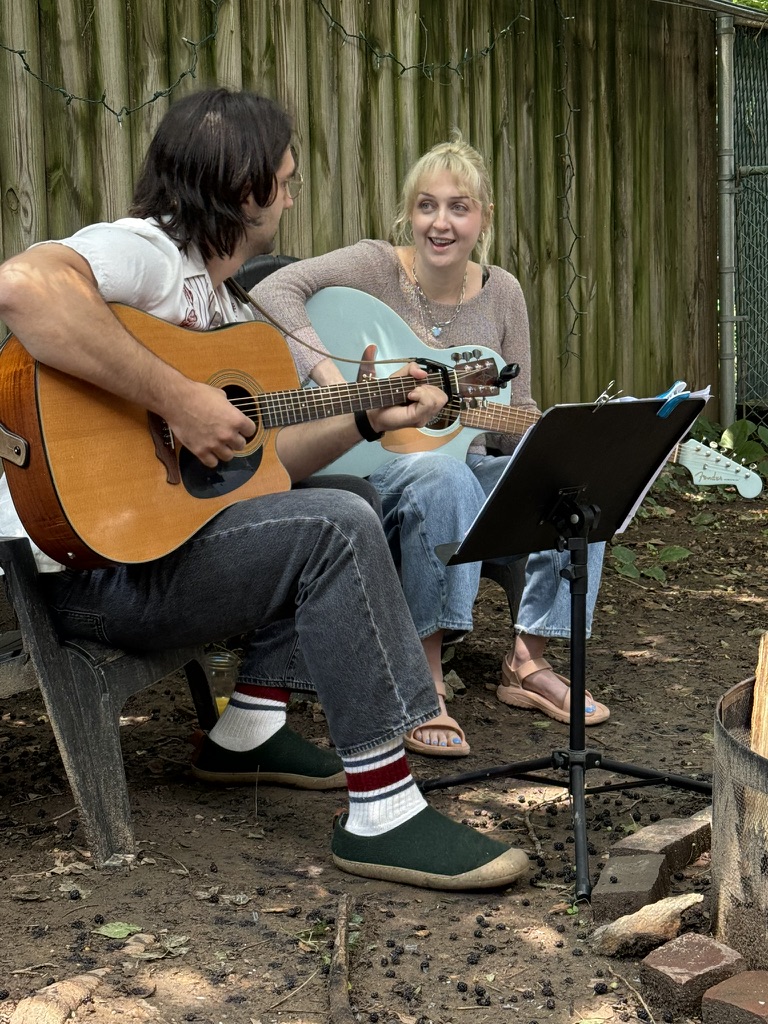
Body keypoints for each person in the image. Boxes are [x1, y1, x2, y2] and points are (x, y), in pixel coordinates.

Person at [0, 90, 530, 891]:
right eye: (283, 180)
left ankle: (247, 727)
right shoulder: (145, 252)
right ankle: (383, 811)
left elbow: (273, 462)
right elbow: (23, 289)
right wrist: (178, 399)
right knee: (333, 526)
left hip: (145, 554)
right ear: (242, 189)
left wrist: (365, 418)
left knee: (358, 494)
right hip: (82, 573)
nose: (290, 193)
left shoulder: (225, 301)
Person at [253, 130, 610, 755]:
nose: (440, 223)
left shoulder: (503, 292)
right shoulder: (376, 266)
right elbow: (270, 291)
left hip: (466, 465)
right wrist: (342, 390)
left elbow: (516, 409)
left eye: (458, 207)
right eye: (426, 205)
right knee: (440, 477)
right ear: (407, 213)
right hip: (378, 472)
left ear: (484, 218)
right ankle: (424, 678)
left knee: (574, 478)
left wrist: (530, 435)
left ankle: (527, 661)